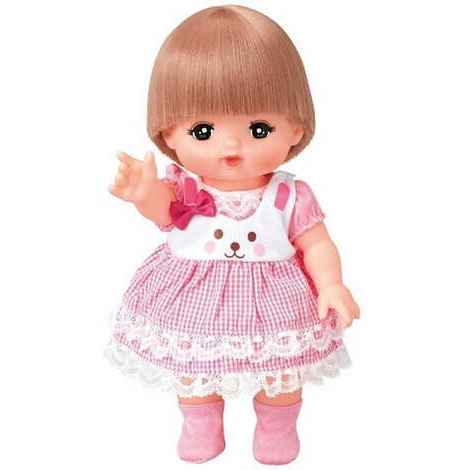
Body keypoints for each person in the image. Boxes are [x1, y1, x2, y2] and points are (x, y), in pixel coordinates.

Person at [105, 5, 359, 465]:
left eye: (259, 128)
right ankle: (200, 425)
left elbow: (316, 242)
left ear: (296, 127)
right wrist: (144, 194)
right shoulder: (184, 187)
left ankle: (277, 428)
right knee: (193, 371)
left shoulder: (290, 194)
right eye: (202, 130)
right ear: (168, 133)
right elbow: (164, 210)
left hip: (275, 302)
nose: (231, 145)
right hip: (192, 299)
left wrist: (331, 284)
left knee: (281, 373)